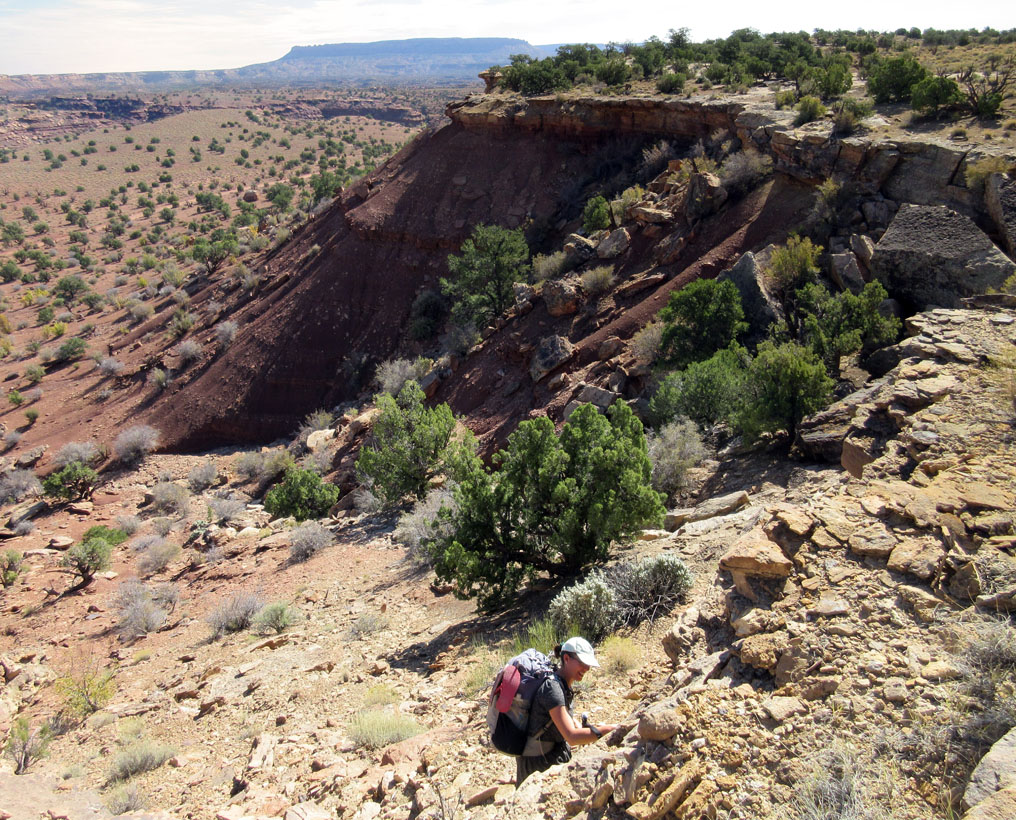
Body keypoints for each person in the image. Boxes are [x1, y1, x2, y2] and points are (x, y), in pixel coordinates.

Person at [516, 636, 619, 786]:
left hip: (550, 755)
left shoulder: (563, 684)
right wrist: (608, 730)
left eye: (588, 664)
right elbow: (571, 736)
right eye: (583, 663)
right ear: (566, 658)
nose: (587, 668)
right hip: (538, 763)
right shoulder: (553, 688)